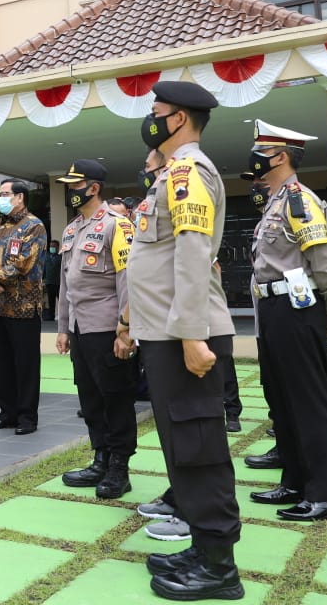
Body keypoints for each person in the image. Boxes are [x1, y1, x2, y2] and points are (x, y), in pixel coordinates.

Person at [117, 80, 243, 600]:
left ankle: (219, 567)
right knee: (181, 445)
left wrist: (192, 335)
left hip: (185, 333)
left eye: (157, 112)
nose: (149, 118)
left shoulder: (189, 171)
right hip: (165, 332)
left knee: (199, 445)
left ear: (181, 119)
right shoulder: (170, 174)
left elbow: (191, 255)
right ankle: (199, 545)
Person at [246, 120, 327, 523]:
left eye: (259, 151)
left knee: (308, 403)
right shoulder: (274, 200)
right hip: (272, 311)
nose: (253, 159)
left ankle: (324, 496)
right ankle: (294, 481)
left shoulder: (300, 200)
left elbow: (324, 264)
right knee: (281, 401)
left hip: (298, 309)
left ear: (280, 156)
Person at [55, 160, 138, 499]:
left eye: (75, 185)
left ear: (93, 188)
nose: (69, 190)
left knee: (116, 397)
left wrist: (125, 329)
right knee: (89, 398)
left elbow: (128, 280)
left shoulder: (117, 225)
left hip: (108, 327)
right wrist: (62, 328)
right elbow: (64, 285)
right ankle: (100, 458)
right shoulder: (72, 229)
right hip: (79, 329)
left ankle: (120, 466)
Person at [0, 178, 47, 435]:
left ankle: (27, 417)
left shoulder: (34, 226)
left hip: (23, 306)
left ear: (20, 197)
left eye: (5, 194)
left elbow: (23, 264)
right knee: (2, 362)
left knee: (25, 364)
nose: (0, 198)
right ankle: (7, 413)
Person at [42, 239, 61, 321]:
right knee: (51, 301)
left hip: (59, 283)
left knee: (62, 301)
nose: (52, 248)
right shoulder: (46, 257)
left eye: (54, 246)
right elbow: (44, 270)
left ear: (57, 247)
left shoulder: (61, 257)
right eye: (51, 246)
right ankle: (51, 317)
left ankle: (64, 316)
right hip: (49, 282)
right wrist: (42, 279)